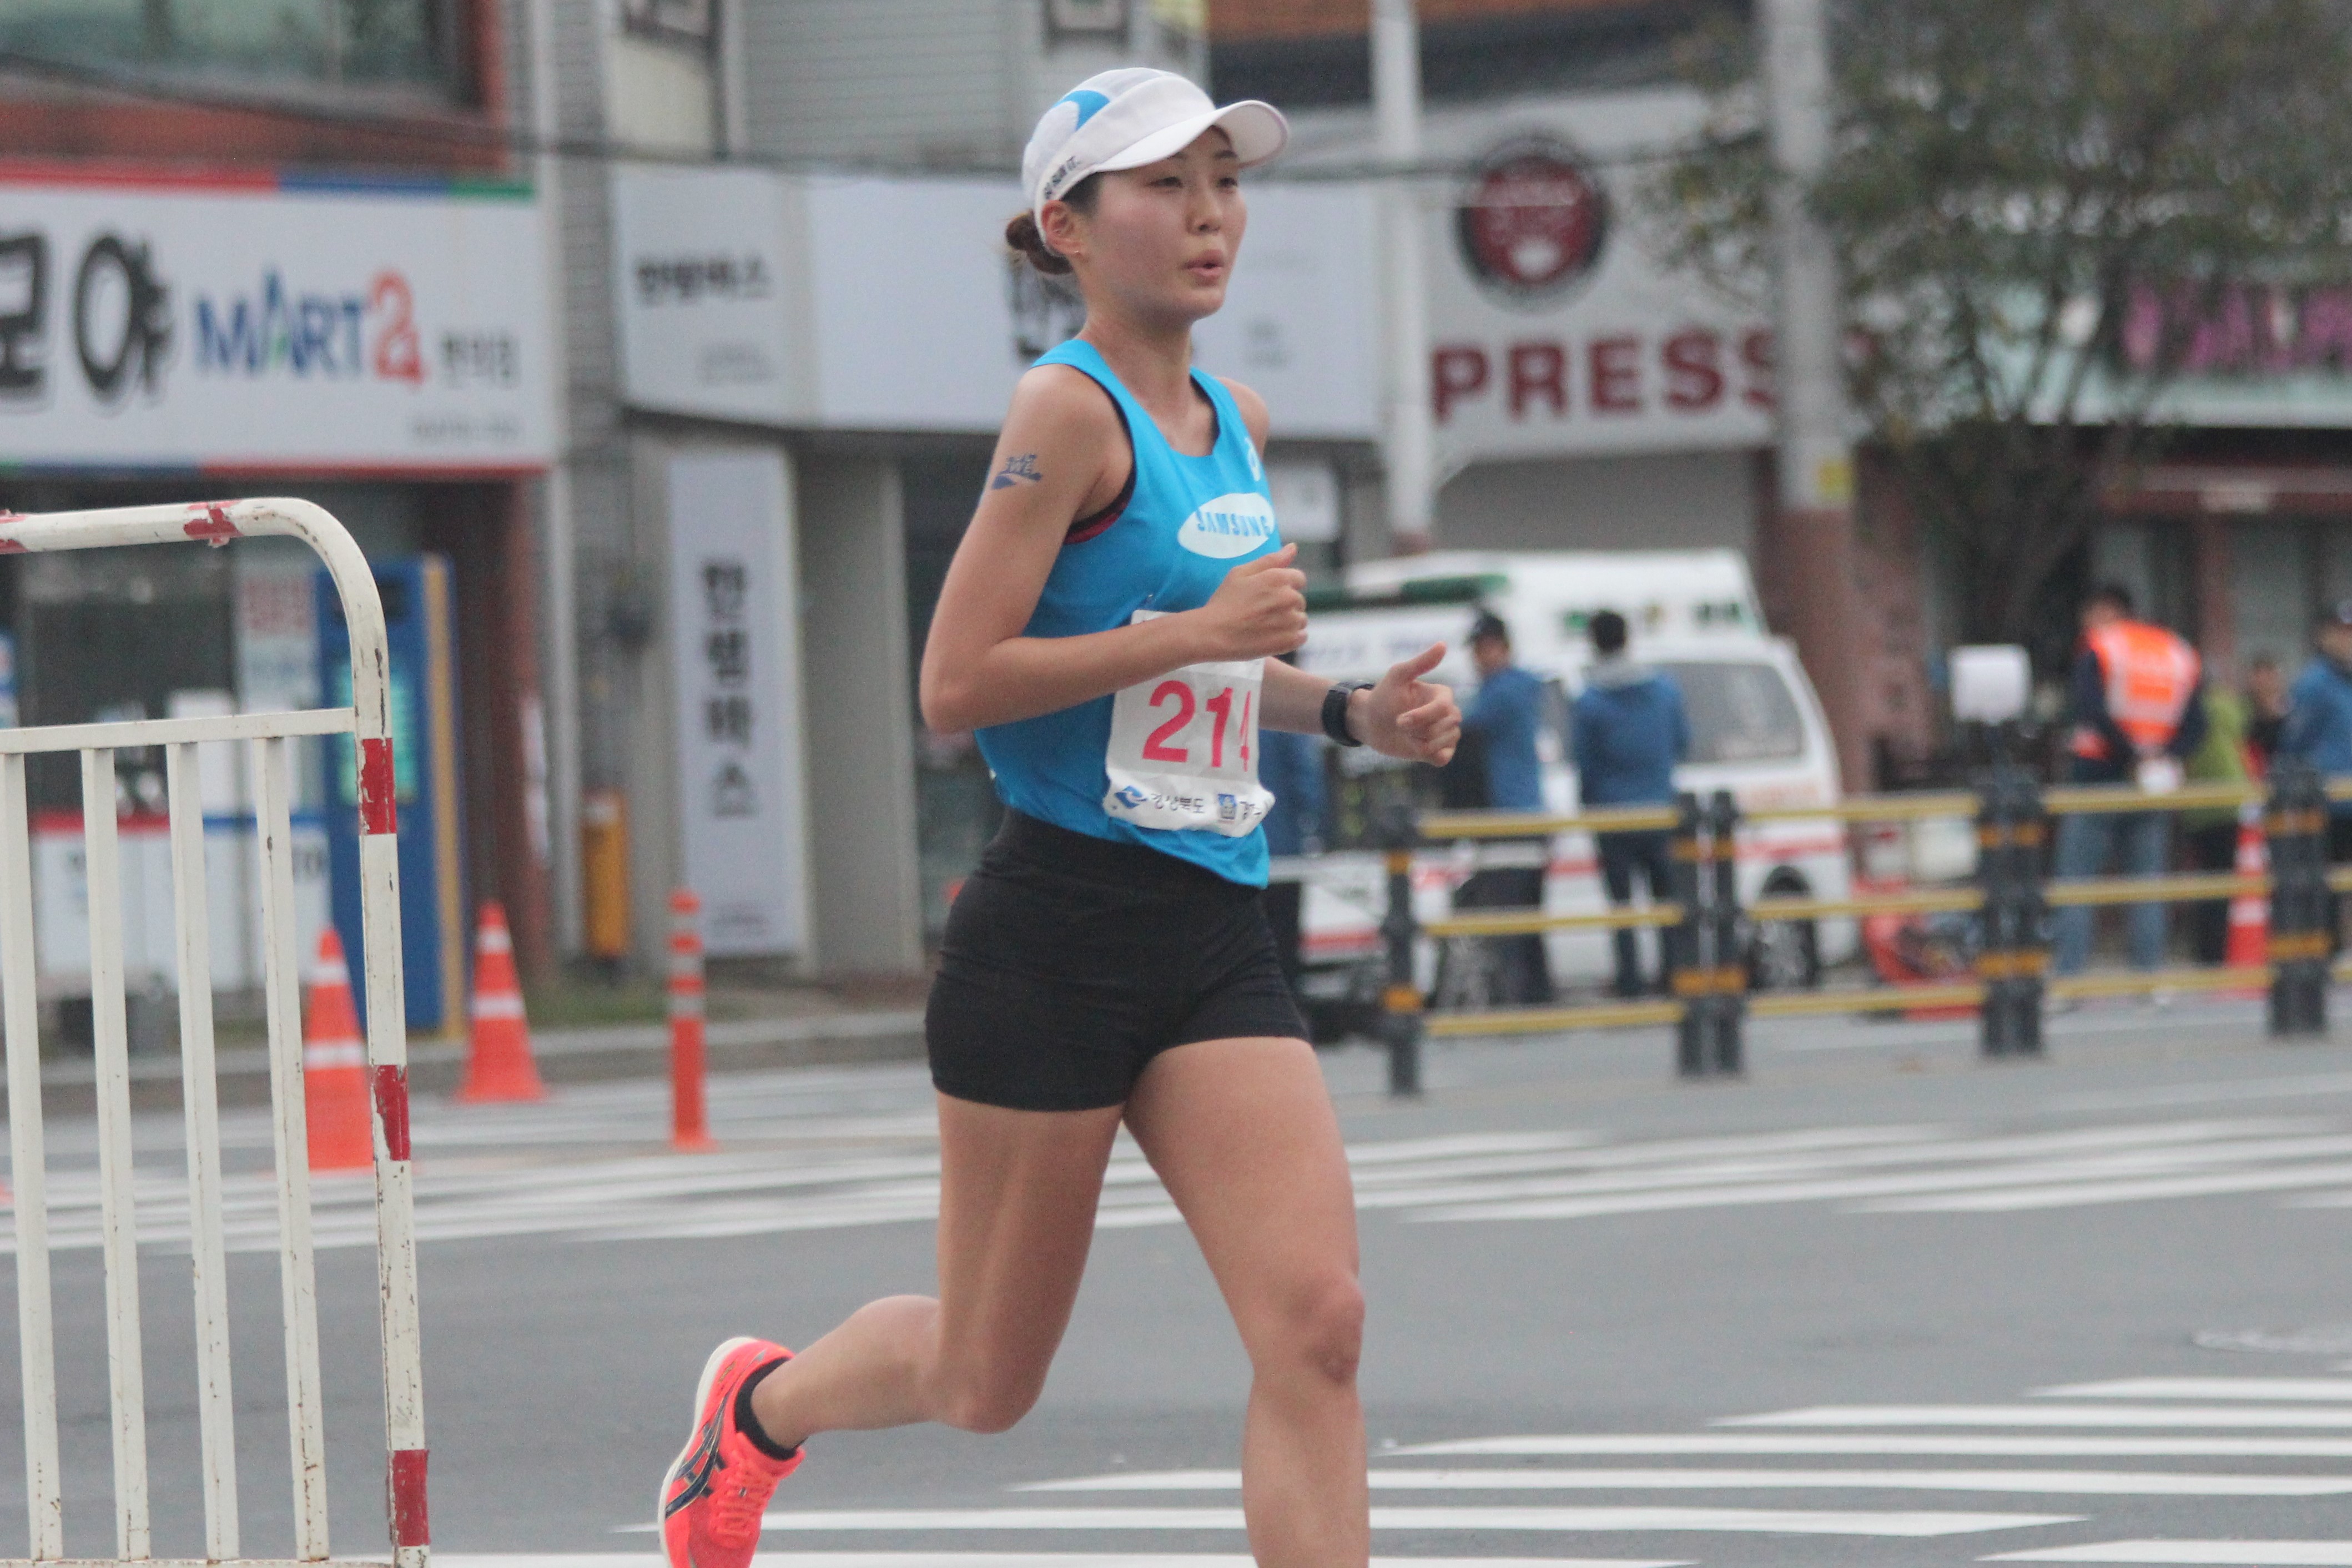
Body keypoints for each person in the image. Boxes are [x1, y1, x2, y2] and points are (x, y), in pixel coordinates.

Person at [656, 68, 1460, 1568]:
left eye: (1222, 180)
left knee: (1320, 1326)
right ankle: (759, 1410)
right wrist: (1194, 632)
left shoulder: (1236, 414)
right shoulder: (1061, 413)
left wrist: (1349, 711)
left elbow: (1219, 671)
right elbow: (954, 684)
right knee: (983, 1381)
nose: (1209, 213)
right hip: (1056, 932)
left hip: (1214, 926)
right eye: (1163, 185)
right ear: (1067, 229)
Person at [2050, 582, 2207, 976]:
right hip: (2150, 784)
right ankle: (2149, 977)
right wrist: (2160, 756)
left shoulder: (2101, 648)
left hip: (2096, 777)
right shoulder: (2177, 652)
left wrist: (2131, 754)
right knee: (2146, 885)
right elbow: (2196, 724)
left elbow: (2089, 710)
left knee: (2076, 883)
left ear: (2106, 612)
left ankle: (2070, 977)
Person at [1569, 609, 1690, 997]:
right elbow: (1681, 742)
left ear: (1594, 643)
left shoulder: (1590, 701)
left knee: (1621, 906)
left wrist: (1589, 802)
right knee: (1667, 902)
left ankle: (1631, 982)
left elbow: (1584, 763)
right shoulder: (1664, 691)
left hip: (1612, 814)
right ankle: (1674, 975)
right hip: (1659, 809)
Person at [1455, 611, 1554, 1004]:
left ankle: (1518, 996)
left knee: (1511, 914)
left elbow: (1463, 723)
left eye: (1483, 649)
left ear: (1502, 647)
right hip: (1527, 813)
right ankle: (1537, 994)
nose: (1477, 659)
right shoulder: (1516, 687)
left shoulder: (1502, 691)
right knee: (1528, 914)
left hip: (1510, 816)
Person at [2278, 601, 2352, 942]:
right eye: (2344, 632)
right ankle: (2329, 957)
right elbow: (2293, 744)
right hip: (2328, 804)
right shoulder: (2314, 684)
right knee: (2325, 886)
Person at [2179, 682, 2253, 966]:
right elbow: (2243, 734)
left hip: (2199, 804)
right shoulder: (2228, 706)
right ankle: (2218, 952)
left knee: (2205, 882)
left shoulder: (2186, 710)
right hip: (2231, 797)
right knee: (2222, 882)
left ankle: (2207, 952)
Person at [1257, 693, 1326, 994]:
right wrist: (1324, 831)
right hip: (1282, 849)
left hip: (1231, 853)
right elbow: (1307, 782)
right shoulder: (1283, 719)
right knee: (1283, 948)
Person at [2246, 653, 2289, 771]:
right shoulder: (2245, 718)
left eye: (2269, 675)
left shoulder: (2291, 718)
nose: (2264, 683)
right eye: (2259, 676)